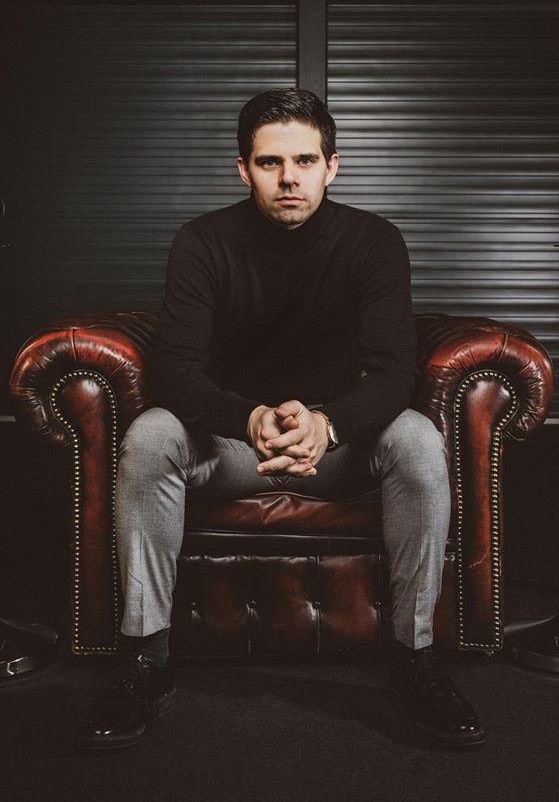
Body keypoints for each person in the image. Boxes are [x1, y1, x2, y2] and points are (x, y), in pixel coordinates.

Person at [78, 89, 485, 751]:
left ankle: (414, 658)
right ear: (243, 168)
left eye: (304, 160)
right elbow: (175, 369)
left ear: (332, 166)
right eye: (270, 163)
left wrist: (327, 423)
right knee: (150, 435)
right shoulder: (203, 242)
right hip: (232, 444)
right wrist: (250, 417)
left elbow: (393, 372)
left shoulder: (374, 242)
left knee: (417, 437)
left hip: (339, 448)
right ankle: (144, 659)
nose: (289, 177)